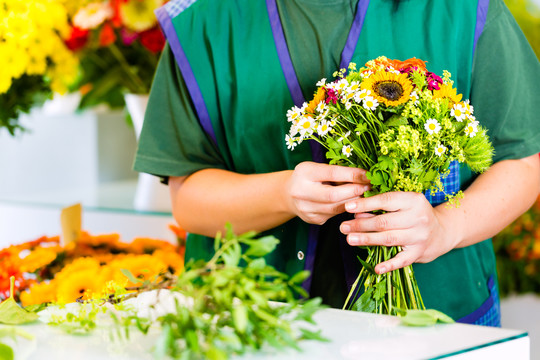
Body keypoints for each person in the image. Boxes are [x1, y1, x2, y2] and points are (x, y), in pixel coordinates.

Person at [134, 0, 540, 326]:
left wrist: (443, 229)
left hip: (441, 315)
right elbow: (187, 197)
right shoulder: (203, 22)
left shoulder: (465, 10)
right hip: (252, 321)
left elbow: (523, 160)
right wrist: (282, 194)